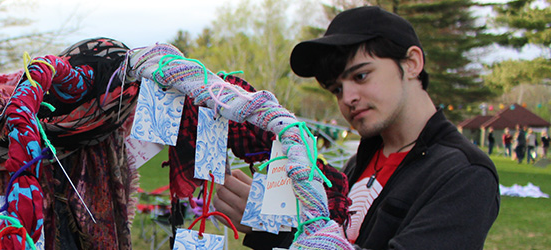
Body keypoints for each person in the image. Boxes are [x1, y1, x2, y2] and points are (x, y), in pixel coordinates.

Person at [211, 6, 499, 249]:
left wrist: (277, 229)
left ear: (412, 63)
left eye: (361, 76)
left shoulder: (465, 174)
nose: (347, 98)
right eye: (337, 89)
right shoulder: (355, 166)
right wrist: (269, 225)